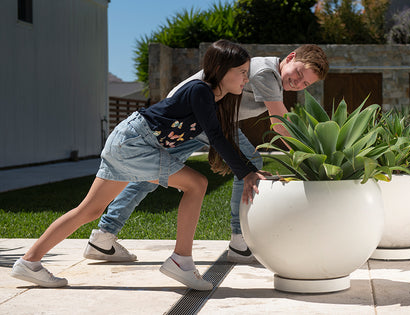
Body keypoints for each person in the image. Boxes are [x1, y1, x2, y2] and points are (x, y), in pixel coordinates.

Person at [10, 40, 266, 290]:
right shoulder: (200, 90)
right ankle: (181, 261)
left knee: (89, 211)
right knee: (197, 184)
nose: (247, 78)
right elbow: (216, 137)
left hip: (127, 141)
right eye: (242, 72)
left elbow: (218, 135)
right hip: (135, 142)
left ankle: (29, 262)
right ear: (221, 70)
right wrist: (247, 173)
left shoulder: (215, 99)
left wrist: (244, 169)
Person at [82, 44, 329, 263]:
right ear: (291, 56)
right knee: (250, 162)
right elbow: (279, 121)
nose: (297, 82)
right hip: (190, 117)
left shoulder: (271, 75)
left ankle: (103, 238)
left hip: (196, 121)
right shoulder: (267, 72)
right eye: (298, 73)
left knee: (150, 174)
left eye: (305, 83)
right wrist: (310, 159)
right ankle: (239, 241)